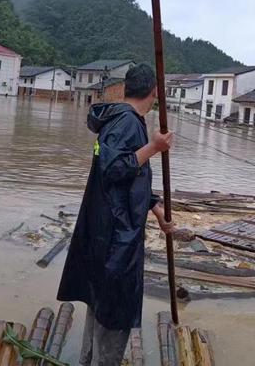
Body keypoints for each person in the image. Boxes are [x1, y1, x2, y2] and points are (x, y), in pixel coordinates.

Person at [57, 63, 175, 366]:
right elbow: (114, 169)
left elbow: (132, 178)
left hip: (106, 230)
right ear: (154, 93)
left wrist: (158, 211)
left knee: (101, 304)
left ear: (126, 88)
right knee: (113, 311)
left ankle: (87, 360)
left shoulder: (123, 121)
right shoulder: (127, 123)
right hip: (115, 237)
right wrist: (153, 146)